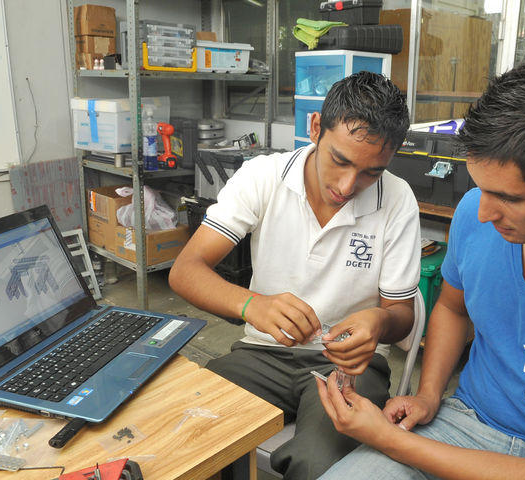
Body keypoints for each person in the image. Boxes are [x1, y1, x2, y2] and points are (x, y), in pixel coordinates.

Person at [316, 60, 525, 480]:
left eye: (510, 198)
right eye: (480, 188)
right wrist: (428, 394)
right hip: (467, 423)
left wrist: (387, 438)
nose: (483, 213)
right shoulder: (475, 216)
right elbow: (452, 308)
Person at [168, 71, 421, 479]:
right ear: (316, 127)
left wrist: (379, 321)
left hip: (348, 368)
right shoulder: (263, 176)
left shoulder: (397, 199)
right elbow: (185, 271)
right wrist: (251, 305)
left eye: (371, 172)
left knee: (318, 463)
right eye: (340, 160)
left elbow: (401, 315)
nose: (348, 185)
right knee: (186, 428)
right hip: (261, 355)